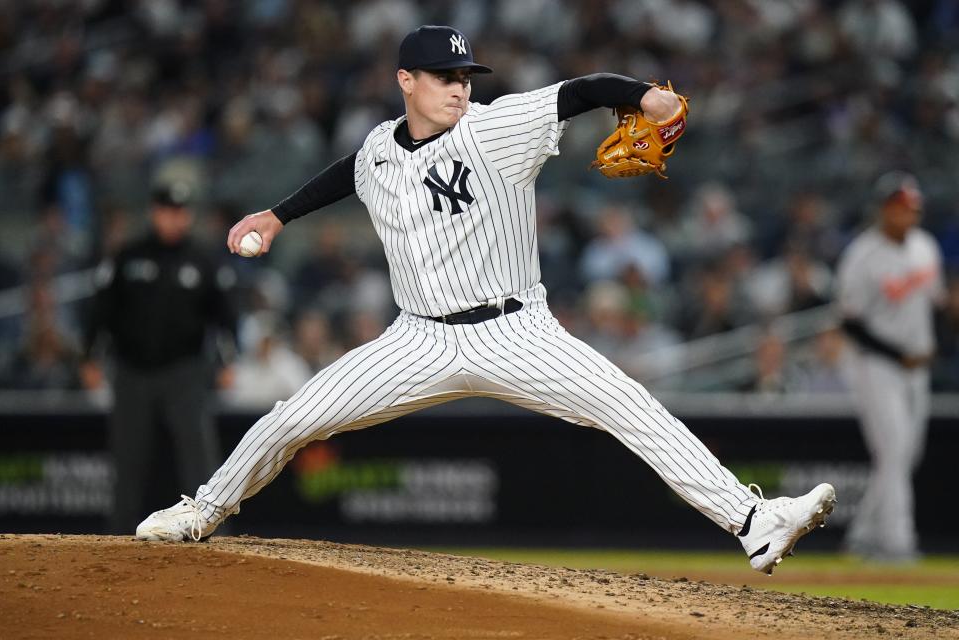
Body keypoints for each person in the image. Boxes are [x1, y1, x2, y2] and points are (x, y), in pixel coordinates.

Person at [135, 25, 835, 574]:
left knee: (630, 406)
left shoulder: (494, 128)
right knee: (293, 419)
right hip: (417, 340)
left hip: (516, 331)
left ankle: (754, 523)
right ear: (405, 81)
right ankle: (202, 510)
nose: (459, 89)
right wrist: (278, 216)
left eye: (466, 77)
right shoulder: (380, 146)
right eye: (445, 78)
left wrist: (646, 97)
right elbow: (348, 172)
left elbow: (582, 89)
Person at [82, 181, 239, 534]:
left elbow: (225, 316)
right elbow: (101, 310)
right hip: (131, 372)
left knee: (198, 457)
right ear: (155, 213)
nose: (175, 219)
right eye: (168, 212)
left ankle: (212, 533)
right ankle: (119, 536)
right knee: (128, 459)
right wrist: (90, 358)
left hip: (185, 372)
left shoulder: (202, 259)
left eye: (181, 212)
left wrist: (229, 362)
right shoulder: (129, 256)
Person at [836, 171, 945, 562]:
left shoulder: (926, 246)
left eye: (912, 208)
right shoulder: (862, 255)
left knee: (903, 456)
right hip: (876, 366)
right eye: (900, 207)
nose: (907, 214)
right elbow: (850, 323)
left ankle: (863, 536)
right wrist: (901, 355)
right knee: (896, 451)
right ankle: (898, 544)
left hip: (918, 367)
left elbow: (936, 304)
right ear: (884, 209)